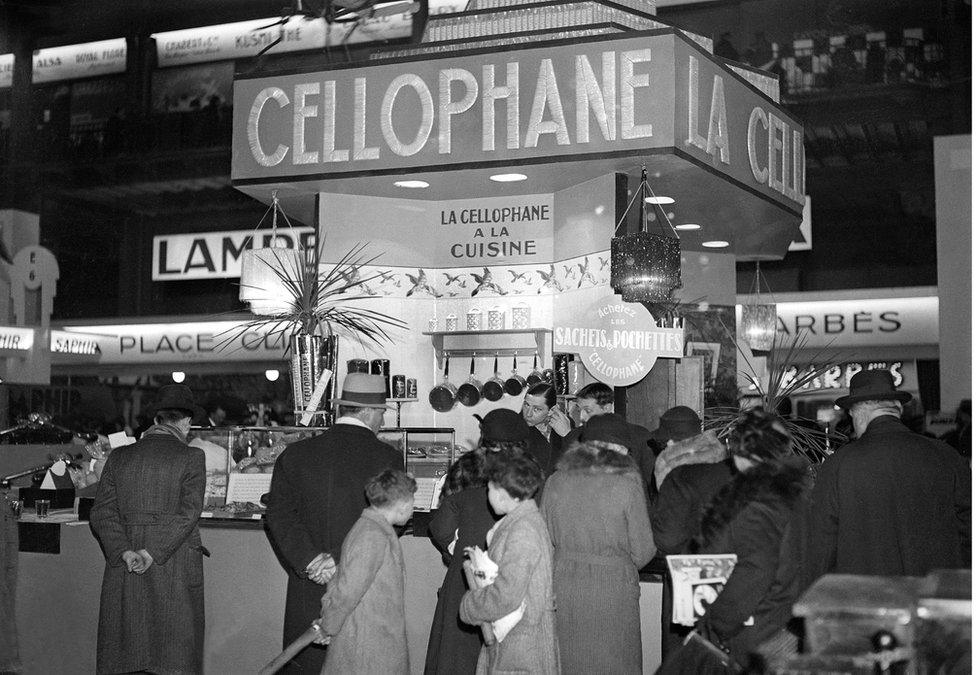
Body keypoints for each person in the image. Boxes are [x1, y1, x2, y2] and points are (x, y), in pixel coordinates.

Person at [266, 373, 402, 673]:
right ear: (368, 412)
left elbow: (278, 514)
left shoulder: (296, 454)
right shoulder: (387, 457)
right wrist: (342, 564)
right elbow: (393, 522)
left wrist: (312, 559)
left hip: (307, 586)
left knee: (306, 664)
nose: (382, 419)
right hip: (360, 589)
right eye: (381, 412)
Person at [89, 384, 208, 675]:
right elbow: (187, 514)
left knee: (127, 653)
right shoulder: (191, 457)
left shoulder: (119, 457)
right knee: (173, 656)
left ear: (155, 420)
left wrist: (124, 551)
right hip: (174, 565)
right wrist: (151, 552)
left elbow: (102, 512)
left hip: (125, 566)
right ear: (185, 423)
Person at [808, 370, 971, 580]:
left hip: (866, 599)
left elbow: (822, 544)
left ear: (857, 412)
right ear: (898, 409)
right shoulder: (946, 455)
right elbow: (968, 529)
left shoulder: (838, 465)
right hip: (934, 597)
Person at [684, 409, 812, 671]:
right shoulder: (792, 493)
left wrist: (716, 623)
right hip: (780, 624)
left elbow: (754, 573)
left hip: (753, 635)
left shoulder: (758, 503)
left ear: (743, 449)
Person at [541, 419, 656, 675]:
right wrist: (615, 564)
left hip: (564, 584)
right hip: (612, 590)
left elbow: (543, 541)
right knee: (615, 663)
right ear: (613, 448)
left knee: (567, 662)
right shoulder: (627, 483)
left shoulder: (556, 480)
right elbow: (644, 549)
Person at [459, 451, 559, 674]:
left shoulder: (523, 530)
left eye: (490, 489)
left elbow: (507, 595)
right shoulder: (524, 522)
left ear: (504, 494)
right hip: (517, 641)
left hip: (520, 649)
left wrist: (469, 605)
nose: (488, 494)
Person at [650, 408, 735, 658]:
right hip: (731, 576)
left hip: (690, 577)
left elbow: (668, 538)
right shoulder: (728, 468)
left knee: (688, 656)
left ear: (672, 443)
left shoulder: (677, 475)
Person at [313, 469, 416, 674]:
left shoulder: (370, 528)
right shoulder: (372, 535)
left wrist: (328, 621)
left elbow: (340, 580)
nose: (413, 508)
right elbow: (347, 591)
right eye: (412, 502)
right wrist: (328, 626)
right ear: (403, 506)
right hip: (368, 641)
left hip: (370, 633)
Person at [424, 449, 498, 675]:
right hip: (499, 592)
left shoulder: (458, 500)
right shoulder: (505, 498)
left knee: (453, 658)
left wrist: (452, 548)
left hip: (460, 589)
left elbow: (439, 528)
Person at [561, 382, 656, 488]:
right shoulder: (573, 437)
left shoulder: (639, 435)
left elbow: (651, 481)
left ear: (607, 408)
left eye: (588, 410)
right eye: (579, 410)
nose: (582, 416)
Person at [520, 383, 572, 475]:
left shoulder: (566, 424)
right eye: (526, 405)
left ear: (552, 410)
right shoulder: (514, 428)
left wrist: (568, 435)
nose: (528, 414)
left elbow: (578, 463)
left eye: (537, 409)